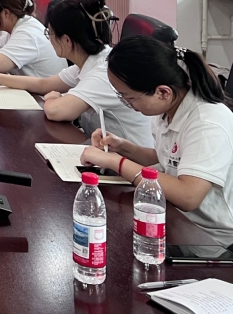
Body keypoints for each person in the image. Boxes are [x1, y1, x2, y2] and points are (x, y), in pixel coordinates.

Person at [79, 36, 233, 247]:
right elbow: (168, 160)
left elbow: (188, 195)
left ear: (162, 92)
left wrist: (115, 162)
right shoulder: (167, 110)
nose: (128, 104)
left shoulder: (207, 123)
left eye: (129, 98)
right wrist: (123, 147)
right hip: (177, 218)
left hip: (214, 240)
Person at [0, 0, 152, 146]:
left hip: (131, 166)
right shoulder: (90, 60)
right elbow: (43, 84)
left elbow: (56, 111)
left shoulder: (104, 72)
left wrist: (53, 98)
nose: (49, 39)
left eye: (50, 34)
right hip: (102, 150)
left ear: (67, 41)